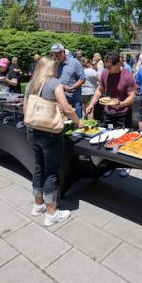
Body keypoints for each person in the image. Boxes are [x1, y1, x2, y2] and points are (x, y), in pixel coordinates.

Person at [25, 57, 84, 225]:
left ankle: (38, 204)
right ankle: (51, 213)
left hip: (32, 130)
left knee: (38, 167)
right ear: (51, 68)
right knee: (52, 171)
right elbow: (66, 108)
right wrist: (78, 122)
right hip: (49, 133)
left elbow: (25, 109)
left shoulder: (31, 84)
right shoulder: (54, 83)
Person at [86, 51, 137, 177]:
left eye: (110, 67)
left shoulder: (127, 75)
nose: (107, 69)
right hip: (109, 113)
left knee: (124, 140)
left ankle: (126, 165)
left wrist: (121, 104)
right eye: (106, 67)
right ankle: (110, 164)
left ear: (118, 63)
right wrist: (91, 104)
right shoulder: (105, 73)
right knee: (109, 138)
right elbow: (99, 90)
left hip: (123, 114)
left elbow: (132, 96)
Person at [51, 44, 85, 117]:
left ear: (63, 52)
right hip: (59, 99)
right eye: (54, 54)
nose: (56, 56)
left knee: (77, 120)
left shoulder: (75, 63)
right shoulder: (53, 64)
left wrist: (71, 88)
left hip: (73, 99)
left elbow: (82, 79)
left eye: (58, 54)